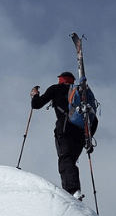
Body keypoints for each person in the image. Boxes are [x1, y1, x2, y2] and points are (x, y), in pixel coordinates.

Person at [30, 71, 96, 199]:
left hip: (65, 129)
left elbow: (36, 105)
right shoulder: (79, 93)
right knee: (70, 160)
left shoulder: (56, 89)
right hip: (81, 134)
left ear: (60, 79)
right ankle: (73, 190)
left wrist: (35, 95)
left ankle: (72, 191)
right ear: (72, 80)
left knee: (65, 159)